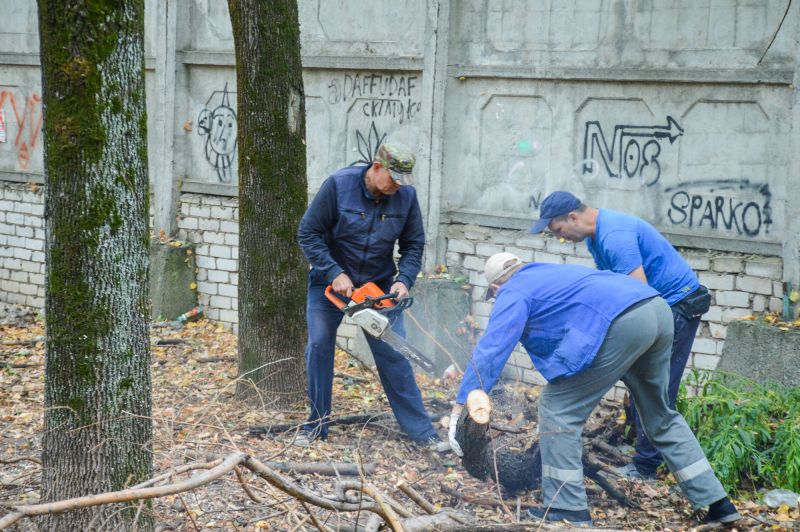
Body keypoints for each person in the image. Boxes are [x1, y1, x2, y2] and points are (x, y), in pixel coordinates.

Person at [447, 253, 740, 527]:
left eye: (494, 293)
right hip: (656, 310)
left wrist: (461, 406)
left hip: (622, 322)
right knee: (660, 414)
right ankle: (717, 502)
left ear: (497, 286)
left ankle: (567, 505)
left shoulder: (514, 290)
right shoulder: (548, 274)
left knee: (556, 406)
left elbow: (492, 349)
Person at [530, 191, 711, 481]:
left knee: (655, 390)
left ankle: (645, 467)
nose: (561, 239)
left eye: (559, 231)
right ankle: (642, 450)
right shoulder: (594, 237)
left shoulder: (615, 236)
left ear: (573, 217)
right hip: (660, 305)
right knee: (639, 381)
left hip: (676, 306)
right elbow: (613, 289)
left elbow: (638, 295)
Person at [297, 140, 444, 450]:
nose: (397, 187)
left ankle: (421, 432)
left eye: (403, 182)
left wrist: (403, 280)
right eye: (393, 179)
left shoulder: (405, 197)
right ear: (377, 168)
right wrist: (334, 272)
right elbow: (308, 233)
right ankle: (316, 424)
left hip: (376, 288)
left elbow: (414, 245)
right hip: (330, 284)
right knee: (320, 345)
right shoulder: (339, 186)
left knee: (394, 354)